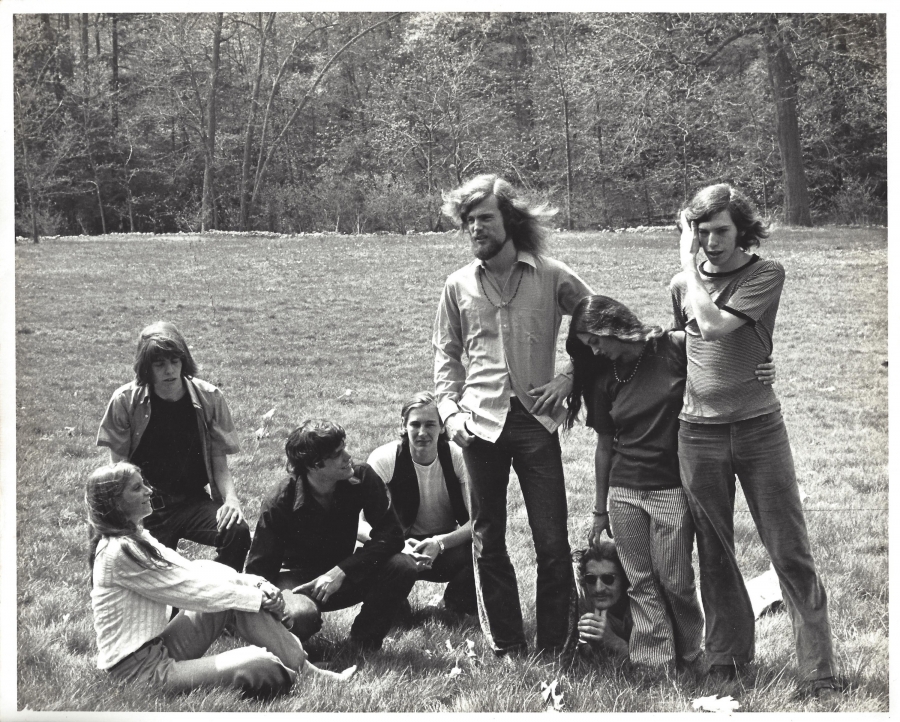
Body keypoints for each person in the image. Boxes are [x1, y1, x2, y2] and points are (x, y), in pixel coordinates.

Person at [671, 183, 836, 698]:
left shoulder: (765, 272)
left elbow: (715, 326)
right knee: (715, 552)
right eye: (701, 232)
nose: (710, 241)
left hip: (759, 429)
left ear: (741, 229)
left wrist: (685, 263)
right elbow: (686, 345)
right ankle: (727, 659)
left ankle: (819, 672)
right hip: (698, 433)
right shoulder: (681, 286)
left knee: (789, 548)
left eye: (720, 230)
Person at [565, 294, 776, 674]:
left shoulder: (674, 347)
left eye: (595, 341)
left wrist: (763, 368)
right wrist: (600, 510)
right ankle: (654, 664)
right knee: (641, 582)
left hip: (670, 488)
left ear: (610, 326)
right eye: (588, 347)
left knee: (676, 579)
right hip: (625, 490)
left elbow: (722, 361)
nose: (595, 351)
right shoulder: (604, 378)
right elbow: (603, 447)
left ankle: (689, 654)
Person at [433, 173, 594, 657]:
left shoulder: (550, 275)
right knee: (488, 540)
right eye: (468, 221)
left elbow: (601, 322)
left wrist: (571, 377)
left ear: (510, 220)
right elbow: (445, 355)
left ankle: (555, 644)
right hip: (479, 427)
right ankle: (506, 644)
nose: (475, 228)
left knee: (551, 541)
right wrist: (449, 413)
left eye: (485, 218)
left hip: (536, 424)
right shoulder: (458, 284)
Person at [86, 462, 354, 697]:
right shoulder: (120, 551)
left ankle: (305, 669)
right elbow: (190, 590)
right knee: (260, 662)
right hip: (138, 674)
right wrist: (257, 596)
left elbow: (196, 569)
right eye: (136, 488)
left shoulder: (137, 537)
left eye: (143, 484)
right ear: (115, 504)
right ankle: (293, 669)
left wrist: (254, 584)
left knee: (236, 599)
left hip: (160, 648)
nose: (149, 491)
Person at [244, 420, 418, 652]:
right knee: (301, 616)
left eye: (344, 448)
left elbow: (392, 535)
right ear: (315, 465)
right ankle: (295, 648)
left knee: (402, 565)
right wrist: (269, 604)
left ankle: (362, 643)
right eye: (337, 454)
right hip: (297, 581)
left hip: (343, 573)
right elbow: (259, 570)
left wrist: (342, 571)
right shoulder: (281, 500)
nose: (348, 457)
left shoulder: (361, 476)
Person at [96, 321, 250, 572]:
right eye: (160, 364)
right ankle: (179, 604)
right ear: (147, 368)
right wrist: (129, 520)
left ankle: (213, 598)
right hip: (147, 508)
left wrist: (231, 500)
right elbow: (120, 471)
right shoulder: (125, 401)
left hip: (192, 502)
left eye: (175, 361)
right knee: (153, 579)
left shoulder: (209, 398)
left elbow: (219, 463)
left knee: (237, 531)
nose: (169, 370)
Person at [363, 391, 476, 617]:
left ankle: (451, 605)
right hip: (399, 546)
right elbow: (359, 525)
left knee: (484, 547)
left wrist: (440, 543)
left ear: (443, 427)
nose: (422, 433)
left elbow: (478, 520)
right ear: (403, 425)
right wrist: (396, 545)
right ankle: (397, 608)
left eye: (430, 424)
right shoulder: (384, 459)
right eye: (415, 424)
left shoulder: (458, 457)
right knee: (396, 620)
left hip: (444, 544)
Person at [573, 542, 631, 660]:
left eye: (608, 579)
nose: (598, 588)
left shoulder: (641, 605)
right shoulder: (584, 602)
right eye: (591, 579)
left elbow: (651, 666)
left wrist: (614, 642)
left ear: (624, 579)